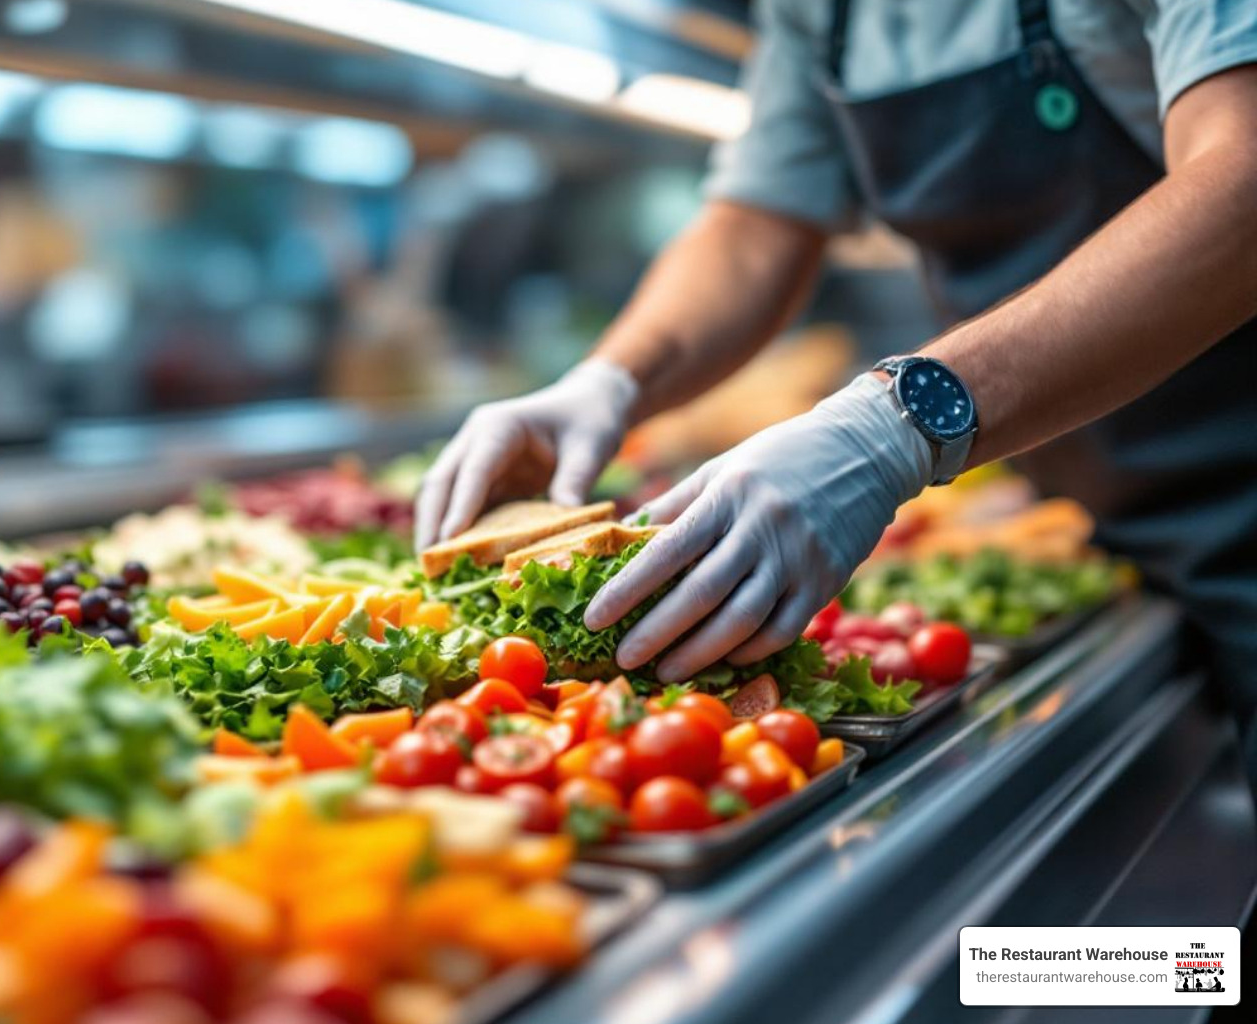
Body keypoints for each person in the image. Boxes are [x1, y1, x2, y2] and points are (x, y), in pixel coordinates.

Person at [414, 1, 1257, 772]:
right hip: (1094, 504)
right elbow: (756, 223)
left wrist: (895, 425)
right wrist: (610, 379)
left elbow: (1244, 184)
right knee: (1155, 940)